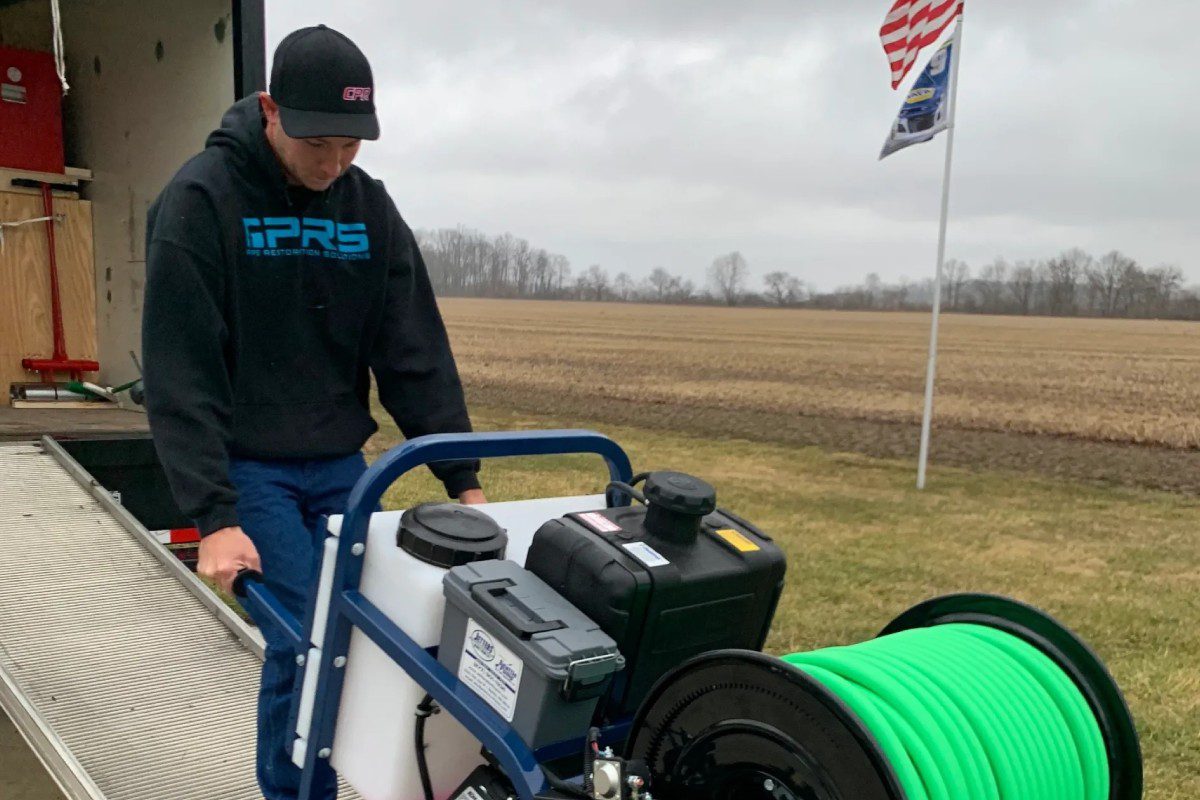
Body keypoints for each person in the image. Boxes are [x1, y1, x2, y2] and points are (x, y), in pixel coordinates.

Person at [141, 24, 484, 800]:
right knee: (305, 638)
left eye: (351, 146)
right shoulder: (201, 200)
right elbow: (179, 368)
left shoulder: (368, 209)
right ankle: (297, 791)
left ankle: (337, 774)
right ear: (270, 111)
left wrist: (462, 477)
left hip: (339, 466)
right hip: (249, 463)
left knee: (363, 636)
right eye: (317, 143)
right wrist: (212, 514)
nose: (333, 164)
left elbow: (411, 348)